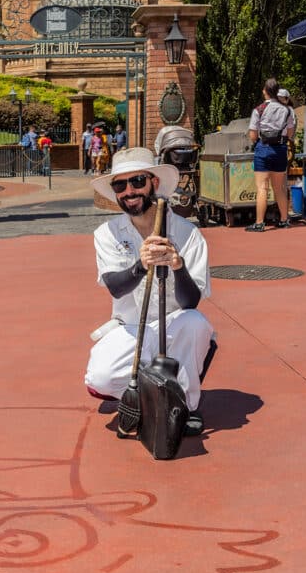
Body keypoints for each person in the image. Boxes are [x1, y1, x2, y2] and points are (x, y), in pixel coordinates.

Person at [85, 147, 213, 434]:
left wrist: (178, 266)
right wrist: (141, 266)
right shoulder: (106, 233)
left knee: (196, 323)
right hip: (130, 327)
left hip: (176, 325)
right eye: (120, 185)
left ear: (154, 183)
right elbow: (116, 288)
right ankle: (150, 392)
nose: (129, 191)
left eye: (137, 182)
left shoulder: (187, 233)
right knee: (99, 377)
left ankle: (186, 404)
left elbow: (191, 302)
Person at [245, 78, 296, 231]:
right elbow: (291, 133)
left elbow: (253, 136)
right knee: (279, 187)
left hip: (264, 148)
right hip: (280, 149)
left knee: (262, 187)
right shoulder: (287, 110)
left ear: (266, 91)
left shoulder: (258, 110)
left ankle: (260, 223)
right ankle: (284, 220)